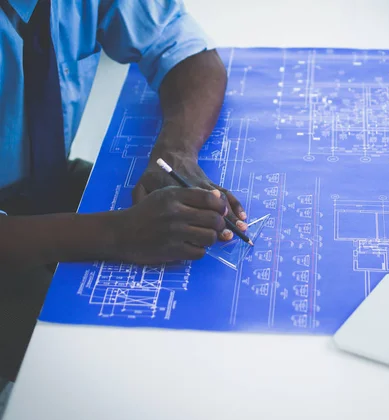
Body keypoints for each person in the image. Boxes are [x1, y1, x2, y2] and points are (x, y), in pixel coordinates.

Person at [0, 0, 246, 382]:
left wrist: (174, 154)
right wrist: (118, 233)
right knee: (93, 379)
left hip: (40, 185)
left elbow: (185, 50)